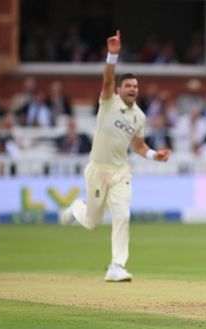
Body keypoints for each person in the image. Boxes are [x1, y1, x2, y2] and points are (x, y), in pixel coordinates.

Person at [60, 30, 171, 282]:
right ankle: (76, 209)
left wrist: (155, 155)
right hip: (98, 169)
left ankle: (116, 266)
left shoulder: (139, 116)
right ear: (119, 89)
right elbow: (108, 79)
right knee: (92, 222)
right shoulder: (108, 101)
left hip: (121, 172)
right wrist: (112, 55)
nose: (133, 89)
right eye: (128, 86)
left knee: (123, 215)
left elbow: (139, 146)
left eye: (135, 86)